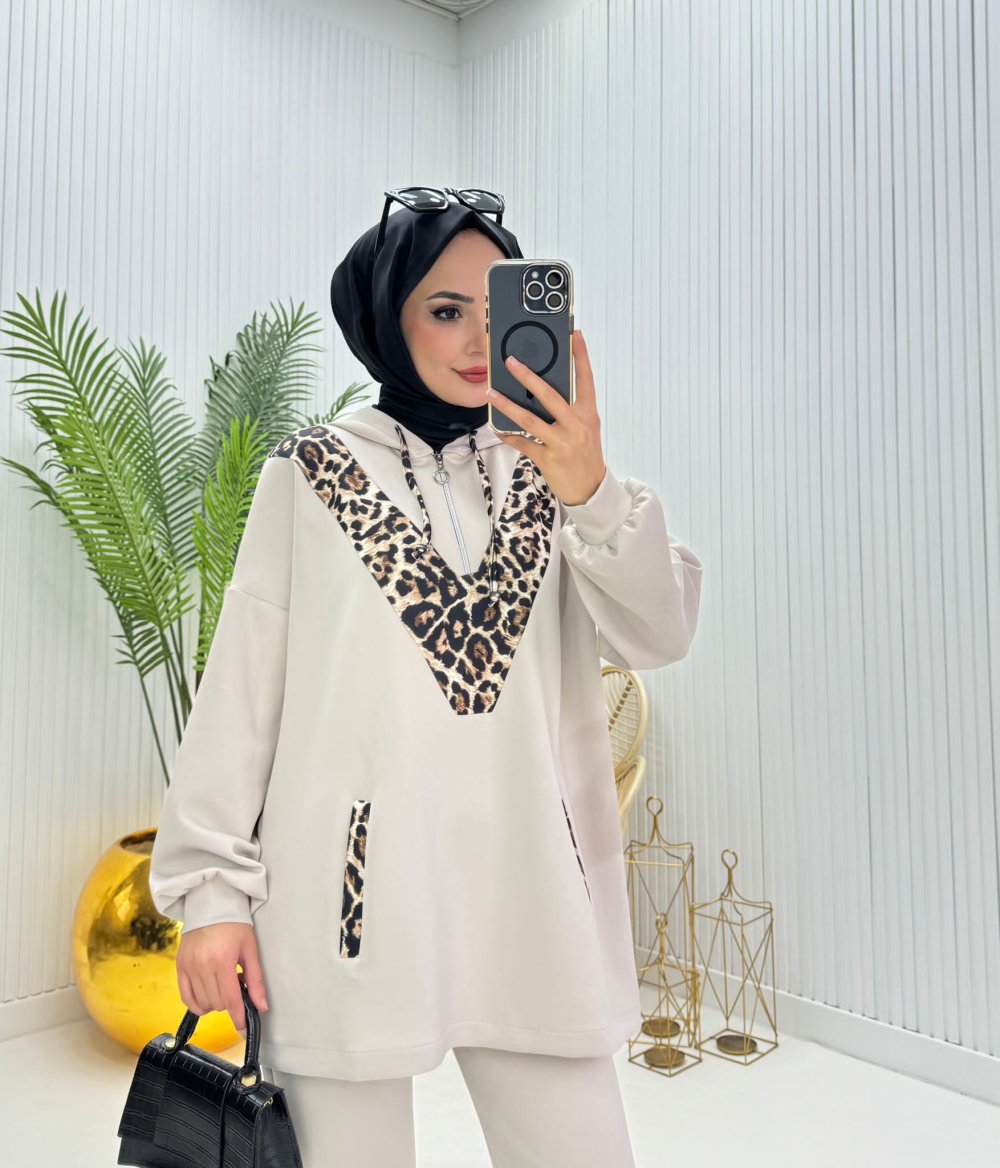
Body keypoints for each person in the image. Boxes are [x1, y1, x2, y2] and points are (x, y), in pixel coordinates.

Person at [148, 190, 703, 1167]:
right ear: (385, 319)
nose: (481, 338)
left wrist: (590, 486)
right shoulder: (309, 473)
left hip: (532, 897)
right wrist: (212, 895)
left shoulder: (557, 479)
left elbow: (658, 632)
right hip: (349, 911)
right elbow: (241, 694)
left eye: (500, 307)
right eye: (447, 310)